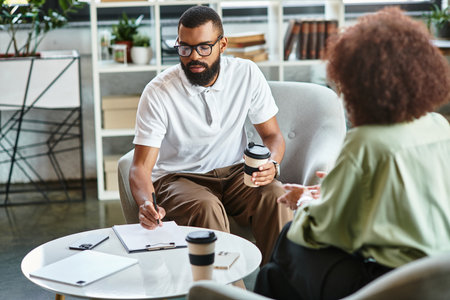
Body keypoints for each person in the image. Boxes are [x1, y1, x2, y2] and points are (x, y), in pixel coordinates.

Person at [254, 7, 450, 299]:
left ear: (361, 85)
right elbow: (406, 199)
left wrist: (306, 203)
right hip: (438, 273)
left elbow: (324, 231)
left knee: (287, 246)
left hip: (388, 280)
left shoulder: (364, 142)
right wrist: (332, 192)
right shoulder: (438, 127)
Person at [129, 6, 292, 265]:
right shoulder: (158, 91)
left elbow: (273, 136)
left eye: (204, 47)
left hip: (236, 173)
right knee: (206, 206)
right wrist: (145, 203)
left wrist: (272, 163)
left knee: (275, 196)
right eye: (185, 48)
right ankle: (225, 292)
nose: (194, 57)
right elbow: (139, 168)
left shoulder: (246, 74)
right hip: (179, 178)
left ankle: (277, 285)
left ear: (223, 44)